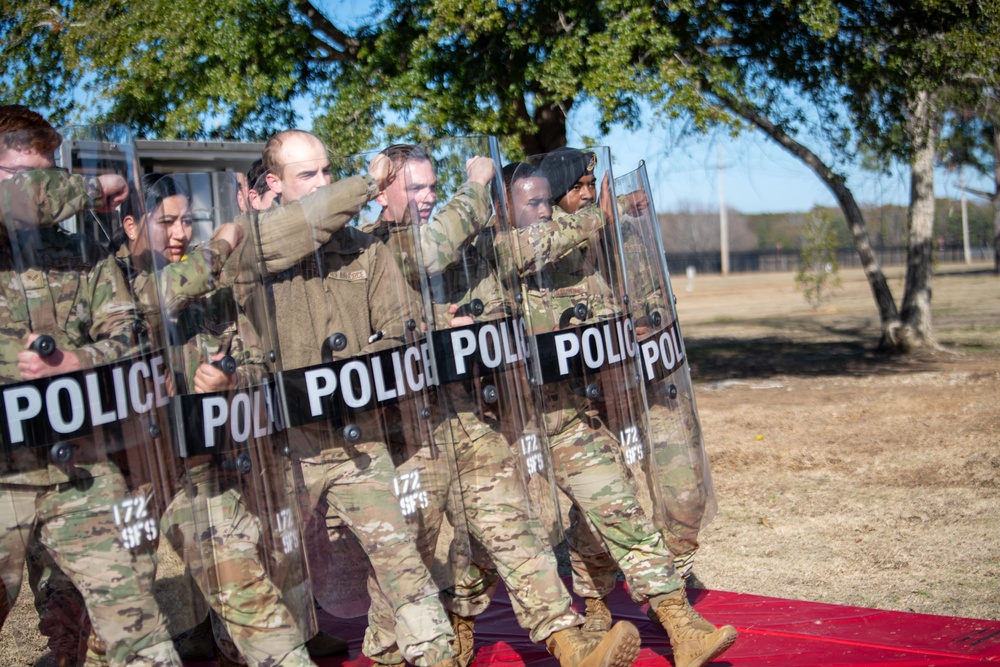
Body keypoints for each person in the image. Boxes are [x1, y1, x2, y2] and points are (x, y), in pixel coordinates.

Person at [358, 143, 641, 667]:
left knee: (515, 529)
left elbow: (521, 260)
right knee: (409, 555)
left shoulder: (467, 243)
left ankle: (569, 642)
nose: (427, 197)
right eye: (414, 187)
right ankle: (387, 651)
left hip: (471, 420)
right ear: (381, 192)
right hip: (410, 435)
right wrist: (476, 183)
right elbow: (423, 259)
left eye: (432, 187)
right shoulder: (372, 247)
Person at [228, 129, 458, 667]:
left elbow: (403, 326)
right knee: (274, 573)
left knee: (403, 562)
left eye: (327, 171)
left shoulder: (364, 249)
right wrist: (366, 183)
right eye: (307, 175)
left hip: (359, 441)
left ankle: (435, 654)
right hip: (285, 450)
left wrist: (390, 347)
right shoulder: (248, 245)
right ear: (274, 184)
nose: (322, 184)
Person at [501, 156, 738, 667]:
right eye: (535, 201)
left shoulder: (589, 246)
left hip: (569, 419)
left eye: (589, 188)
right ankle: (454, 634)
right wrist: (602, 213)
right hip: (509, 429)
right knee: (489, 546)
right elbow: (526, 250)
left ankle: (681, 626)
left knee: (618, 507)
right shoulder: (496, 249)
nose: (549, 208)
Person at [0, 104, 182, 667]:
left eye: (51, 171)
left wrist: (79, 360)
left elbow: (129, 340)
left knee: (140, 634)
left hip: (77, 467)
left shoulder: (84, 252)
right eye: (27, 175)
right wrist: (89, 186)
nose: (44, 188)